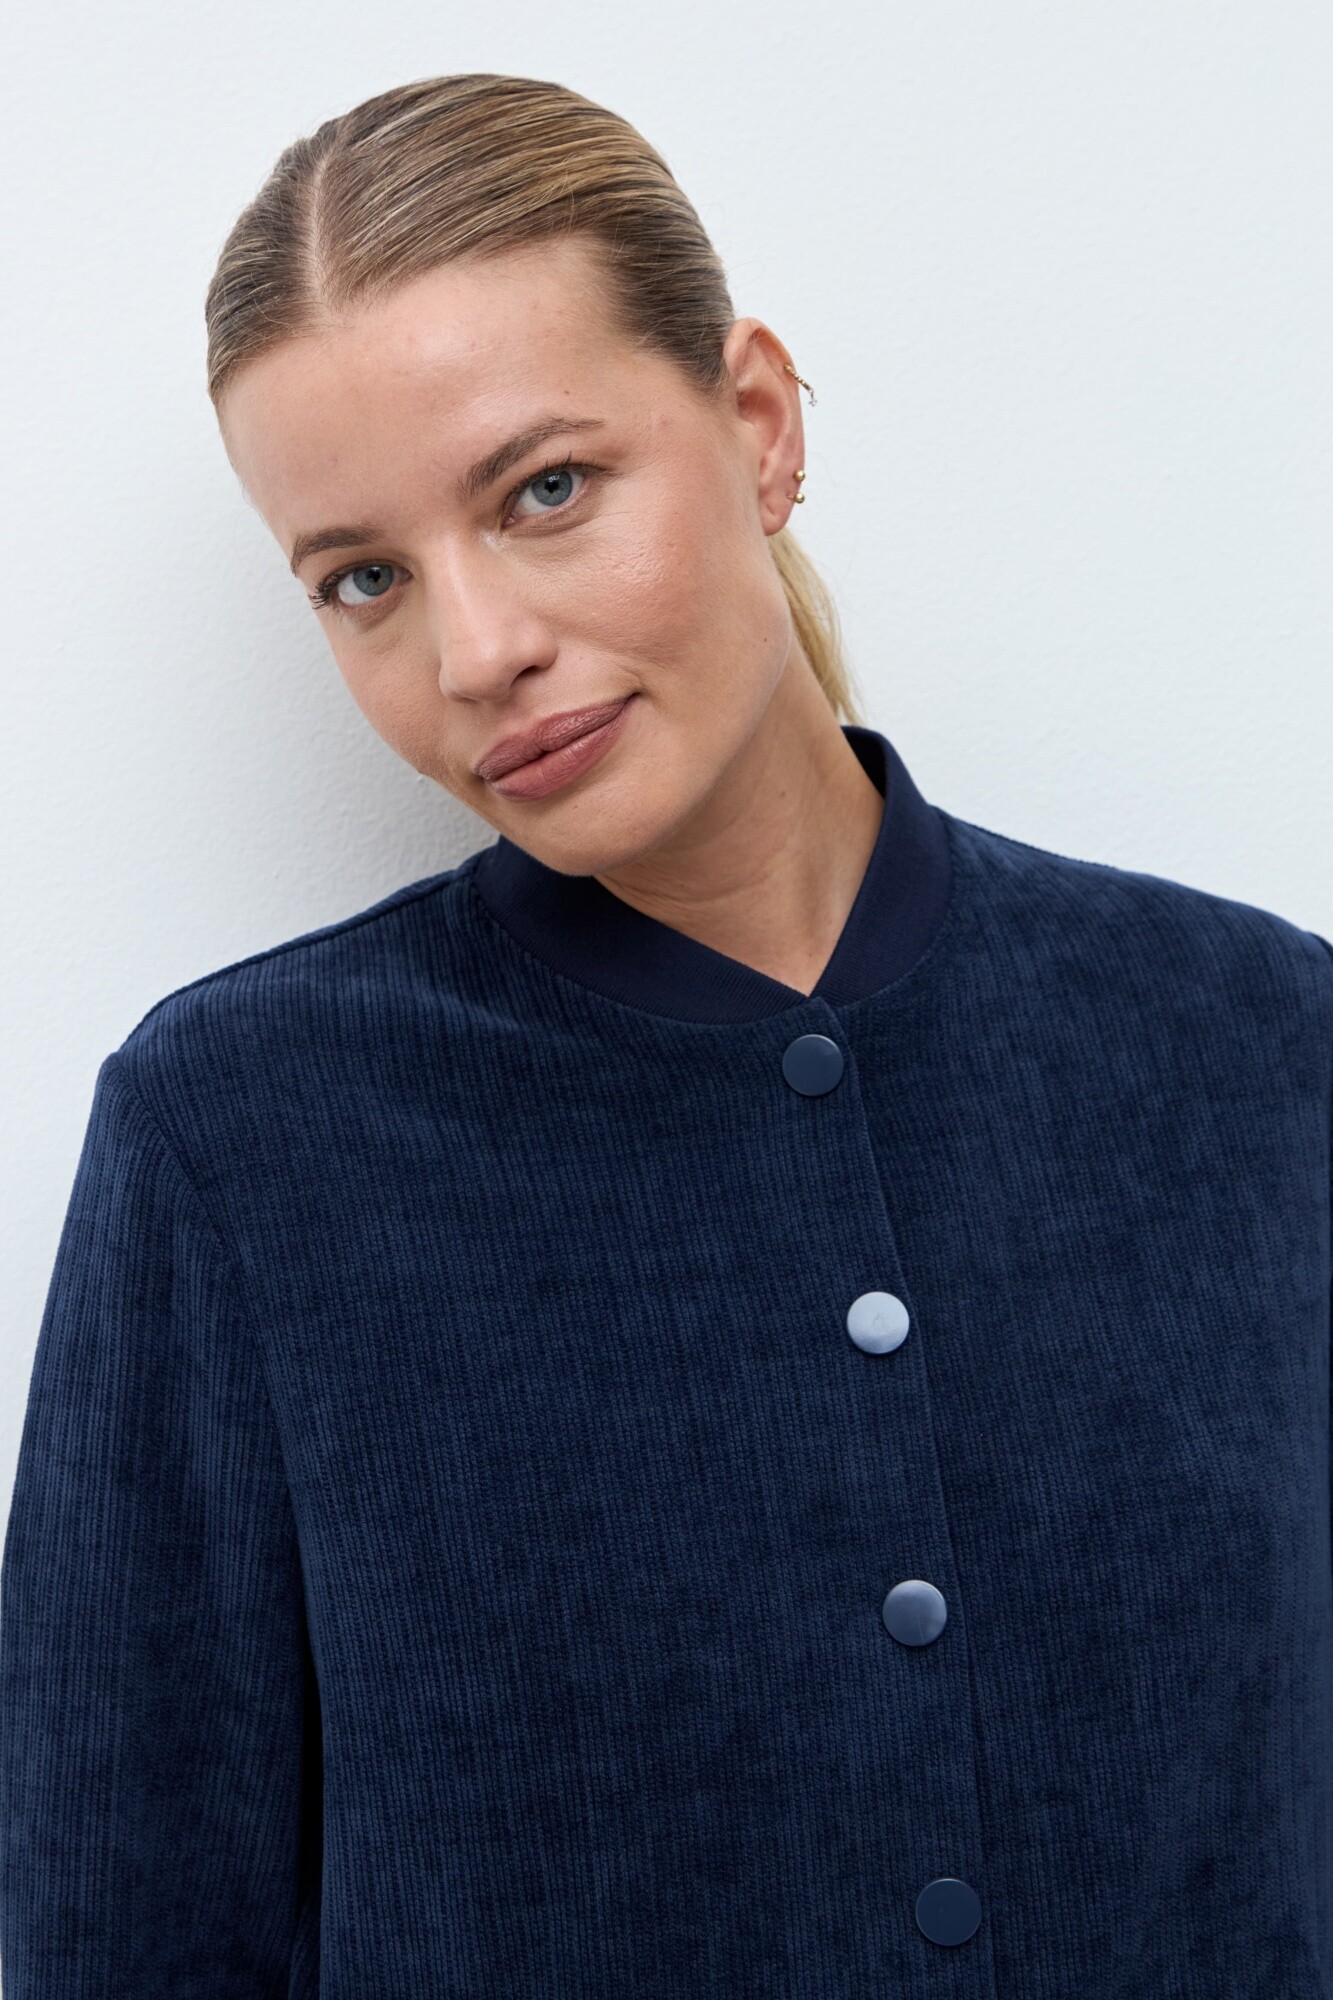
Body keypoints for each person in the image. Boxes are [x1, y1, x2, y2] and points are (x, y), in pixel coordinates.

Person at [1, 69, 1329, 2000]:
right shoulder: (236, 1136)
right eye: (364, 579)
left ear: (758, 426)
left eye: (544, 491)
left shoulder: (1256, 1047)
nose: (475, 652)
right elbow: (120, 1930)